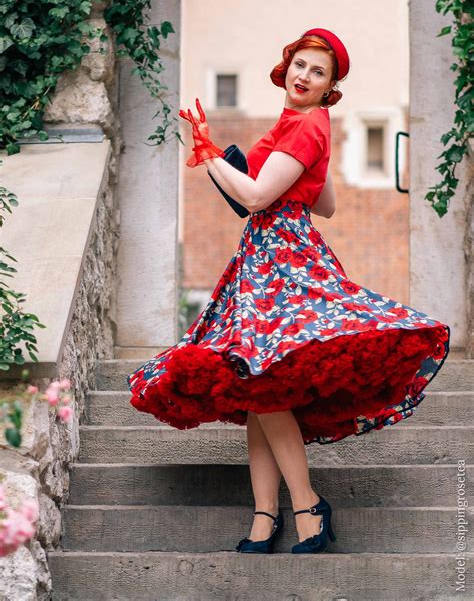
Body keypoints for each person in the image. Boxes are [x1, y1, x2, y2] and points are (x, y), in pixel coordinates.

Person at [127, 28, 451, 555]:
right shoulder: (304, 124)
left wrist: (207, 153)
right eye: (300, 65)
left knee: (266, 387)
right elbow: (325, 204)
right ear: (286, 68)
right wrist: (293, 160)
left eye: (318, 72)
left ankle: (306, 505)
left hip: (279, 260)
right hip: (272, 255)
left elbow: (255, 196)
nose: (304, 75)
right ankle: (264, 514)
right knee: (259, 389)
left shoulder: (304, 127)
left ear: (329, 88)